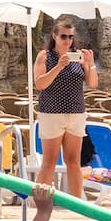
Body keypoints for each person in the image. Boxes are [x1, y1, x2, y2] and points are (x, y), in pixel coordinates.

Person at [33, 17, 97, 198]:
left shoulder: (78, 56)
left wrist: (89, 64)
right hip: (51, 113)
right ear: (54, 36)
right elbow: (40, 84)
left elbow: (92, 83)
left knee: (73, 162)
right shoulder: (45, 56)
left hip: (76, 113)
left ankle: (77, 204)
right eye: (63, 36)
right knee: (49, 162)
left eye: (70, 37)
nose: (67, 41)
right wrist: (58, 68)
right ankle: (40, 202)